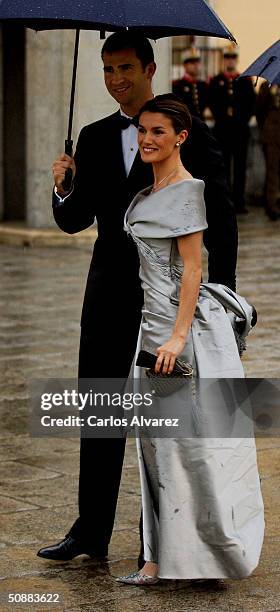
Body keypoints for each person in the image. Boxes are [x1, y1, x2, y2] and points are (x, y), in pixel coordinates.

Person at [37, 32, 238, 564]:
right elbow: (75, 220)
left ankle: (166, 540)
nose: (115, 80)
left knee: (167, 423)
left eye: (125, 68)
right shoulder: (95, 135)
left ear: (150, 68)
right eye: (107, 69)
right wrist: (62, 186)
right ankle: (91, 533)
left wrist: (225, 297)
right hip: (106, 296)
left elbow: (221, 218)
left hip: (167, 304)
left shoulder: (183, 130)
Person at [116, 94, 264, 585]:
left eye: (159, 131)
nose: (148, 139)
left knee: (188, 445)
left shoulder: (186, 190)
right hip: (149, 326)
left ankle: (205, 558)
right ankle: (159, 559)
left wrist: (178, 339)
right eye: (143, 130)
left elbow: (194, 270)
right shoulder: (147, 191)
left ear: (181, 137)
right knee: (154, 446)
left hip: (178, 336)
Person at [208, 43, 255, 214]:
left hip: (240, 131)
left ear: (236, 60)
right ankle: (225, 203)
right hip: (222, 131)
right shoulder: (215, 81)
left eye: (233, 57)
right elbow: (212, 103)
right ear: (223, 60)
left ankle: (239, 202)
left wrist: (241, 120)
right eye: (227, 57)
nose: (230, 61)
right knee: (224, 168)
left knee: (240, 168)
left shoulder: (244, 80)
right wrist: (222, 116)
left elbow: (251, 105)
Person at [256, 82, 280, 221]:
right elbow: (259, 109)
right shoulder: (267, 85)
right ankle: (272, 206)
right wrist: (265, 128)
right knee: (272, 171)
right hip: (272, 135)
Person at [172, 47, 208, 119]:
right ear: (185, 65)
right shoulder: (178, 85)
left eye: (197, 62)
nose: (195, 65)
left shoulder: (203, 85)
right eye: (192, 63)